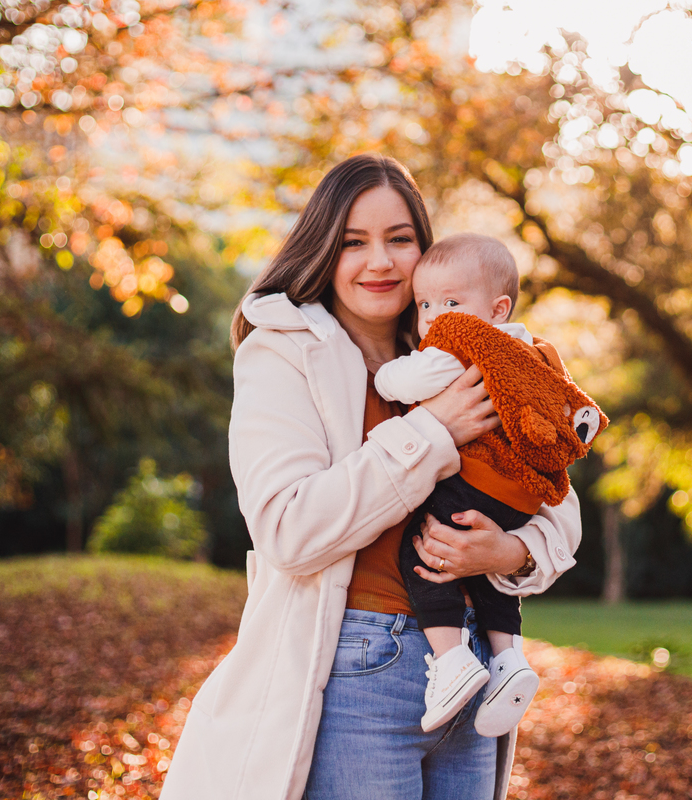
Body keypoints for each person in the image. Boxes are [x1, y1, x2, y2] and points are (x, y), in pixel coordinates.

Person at [158, 154, 582, 800]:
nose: (379, 262)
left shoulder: (467, 349)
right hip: (357, 669)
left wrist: (507, 551)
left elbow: (557, 496)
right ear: (325, 250)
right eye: (354, 242)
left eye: (400, 240)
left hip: (470, 668)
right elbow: (288, 528)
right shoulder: (282, 353)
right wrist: (432, 433)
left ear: (426, 251)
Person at [373, 233, 603, 739]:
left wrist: (385, 377)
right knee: (480, 568)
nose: (435, 315)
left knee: (425, 550)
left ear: (496, 308)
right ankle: (508, 659)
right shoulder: (534, 350)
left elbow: (407, 381)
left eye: (451, 302)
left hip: (476, 478)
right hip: (522, 497)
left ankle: (452, 659)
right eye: (425, 303)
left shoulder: (463, 342)